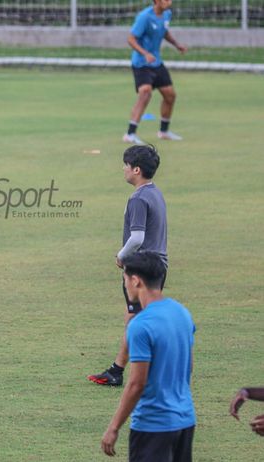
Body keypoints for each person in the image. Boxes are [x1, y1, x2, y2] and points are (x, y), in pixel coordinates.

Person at [101, 251, 196, 462]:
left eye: (125, 279)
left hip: (153, 425)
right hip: (185, 420)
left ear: (136, 281)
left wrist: (113, 427)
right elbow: (188, 367)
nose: (125, 285)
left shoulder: (140, 325)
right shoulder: (182, 313)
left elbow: (136, 383)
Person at [89, 145, 167, 387]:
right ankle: (117, 369)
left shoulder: (139, 199)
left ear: (136, 169)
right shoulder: (155, 193)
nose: (123, 169)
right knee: (136, 316)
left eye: (126, 165)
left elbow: (137, 238)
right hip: (158, 264)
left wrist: (121, 256)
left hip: (142, 267)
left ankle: (129, 371)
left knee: (137, 320)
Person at [122, 0, 187, 145]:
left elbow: (164, 31)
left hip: (156, 62)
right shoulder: (144, 17)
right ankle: (130, 134)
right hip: (141, 63)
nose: (168, 2)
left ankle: (164, 132)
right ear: (156, 1)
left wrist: (177, 45)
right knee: (145, 93)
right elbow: (131, 39)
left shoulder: (167, 14)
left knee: (170, 95)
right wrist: (145, 53)